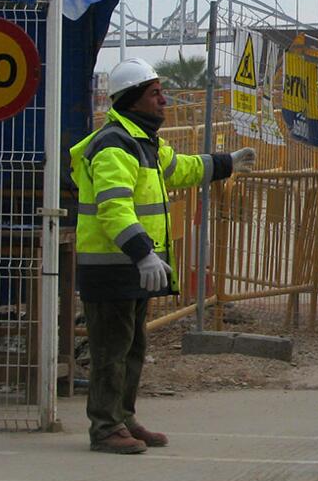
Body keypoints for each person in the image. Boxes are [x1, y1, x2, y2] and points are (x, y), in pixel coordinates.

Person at [70, 58, 256, 454]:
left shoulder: (143, 142)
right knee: (110, 352)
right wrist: (143, 255)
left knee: (133, 348)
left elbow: (179, 168)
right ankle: (105, 428)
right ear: (132, 99)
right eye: (155, 94)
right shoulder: (114, 146)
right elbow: (113, 207)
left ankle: (123, 416)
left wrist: (225, 164)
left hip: (131, 269)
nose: (164, 101)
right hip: (113, 269)